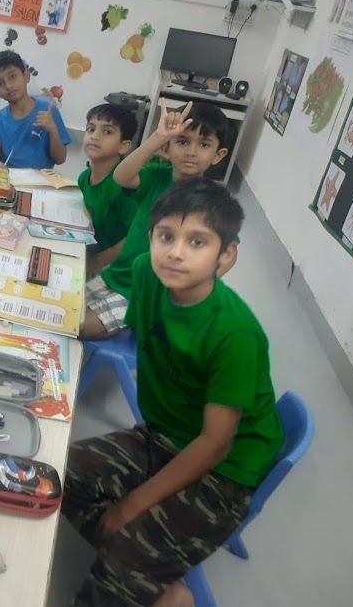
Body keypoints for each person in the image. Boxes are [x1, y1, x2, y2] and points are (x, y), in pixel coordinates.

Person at [63, 177, 284, 607]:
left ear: (226, 255)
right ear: (150, 237)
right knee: (56, 474)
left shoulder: (235, 333)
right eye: (166, 236)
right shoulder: (145, 273)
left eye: (197, 242)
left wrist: (130, 508)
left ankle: (134, 568)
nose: (176, 252)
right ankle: (157, 579)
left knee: (118, 570)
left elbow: (215, 444)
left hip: (224, 471)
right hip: (165, 435)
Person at [81, 100, 230, 338]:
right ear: (167, 149)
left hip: (140, 295)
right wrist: (159, 136)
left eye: (204, 144)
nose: (191, 151)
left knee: (80, 327)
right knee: (64, 311)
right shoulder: (156, 177)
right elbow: (121, 176)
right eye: (182, 141)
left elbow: (229, 254)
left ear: (218, 155)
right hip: (114, 276)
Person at [78, 102, 139, 273]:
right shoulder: (84, 177)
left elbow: (135, 236)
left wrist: (97, 263)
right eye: (91, 129)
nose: (94, 136)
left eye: (107, 132)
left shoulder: (123, 188)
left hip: (116, 265)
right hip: (88, 250)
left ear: (123, 146)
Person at [0, 50, 71, 168]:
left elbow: (60, 159)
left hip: (42, 179)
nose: (8, 86)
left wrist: (53, 130)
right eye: (0, 84)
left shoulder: (48, 110)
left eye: (12, 77)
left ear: (26, 76)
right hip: (9, 177)